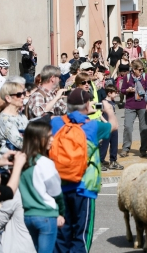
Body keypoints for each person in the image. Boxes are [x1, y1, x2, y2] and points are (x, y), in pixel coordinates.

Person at [51, 88, 117, 253]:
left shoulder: (55, 123)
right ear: (87, 105)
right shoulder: (93, 126)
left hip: (59, 185)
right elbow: (114, 126)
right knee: (81, 235)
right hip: (84, 187)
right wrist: (108, 109)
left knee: (62, 234)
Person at [19, 120, 65, 253]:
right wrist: (61, 213)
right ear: (37, 139)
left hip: (27, 216)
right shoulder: (45, 163)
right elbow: (56, 193)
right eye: (48, 136)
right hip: (46, 216)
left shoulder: (21, 161)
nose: (52, 139)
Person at [119, 61, 147, 158]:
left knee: (144, 128)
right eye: (139, 70)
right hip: (130, 105)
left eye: (142, 69)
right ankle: (125, 148)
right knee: (127, 127)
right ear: (134, 69)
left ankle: (143, 149)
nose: (141, 71)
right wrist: (127, 90)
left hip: (142, 105)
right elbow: (122, 90)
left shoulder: (145, 77)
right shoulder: (127, 77)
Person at [0, 81, 29, 155]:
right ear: (8, 98)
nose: (23, 97)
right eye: (19, 95)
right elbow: (20, 143)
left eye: (23, 93)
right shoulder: (4, 119)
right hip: (11, 161)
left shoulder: (21, 115)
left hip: (26, 156)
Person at [97, 85, 123, 171]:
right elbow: (98, 114)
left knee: (114, 144)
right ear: (109, 93)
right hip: (107, 126)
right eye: (115, 93)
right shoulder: (102, 102)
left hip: (113, 127)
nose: (116, 94)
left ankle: (113, 161)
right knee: (104, 144)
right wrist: (106, 123)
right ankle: (100, 161)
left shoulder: (113, 102)